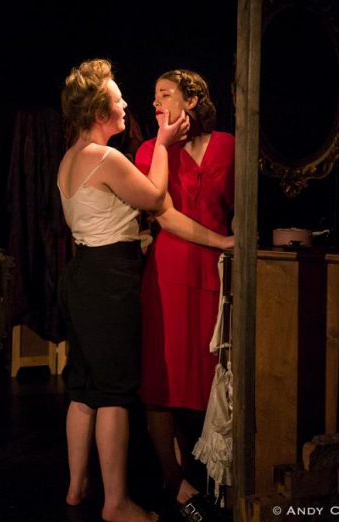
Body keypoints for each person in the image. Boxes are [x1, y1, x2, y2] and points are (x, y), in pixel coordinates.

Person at [57, 58, 231, 522]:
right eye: (117, 99)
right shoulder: (104, 157)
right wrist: (166, 146)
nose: (128, 104)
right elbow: (156, 200)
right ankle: (116, 503)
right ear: (99, 112)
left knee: (83, 387)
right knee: (114, 391)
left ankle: (77, 487)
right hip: (108, 277)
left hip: (82, 274)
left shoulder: (72, 156)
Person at [134, 69, 235, 513]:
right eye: (153, 96)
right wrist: (223, 241)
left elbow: (240, 207)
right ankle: (172, 480)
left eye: (165, 94)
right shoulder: (147, 152)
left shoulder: (229, 147)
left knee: (214, 376)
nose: (155, 103)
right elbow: (165, 215)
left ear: (191, 100)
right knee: (164, 382)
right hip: (169, 275)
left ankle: (219, 474)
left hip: (216, 278)